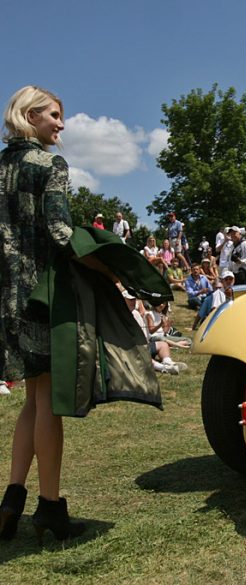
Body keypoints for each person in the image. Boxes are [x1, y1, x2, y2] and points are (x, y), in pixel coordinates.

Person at [0, 86, 98, 542]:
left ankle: (11, 501)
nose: (61, 125)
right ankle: (50, 507)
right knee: (48, 405)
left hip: (6, 298)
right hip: (41, 294)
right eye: (55, 116)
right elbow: (60, 230)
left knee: (32, 399)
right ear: (30, 115)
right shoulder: (49, 164)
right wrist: (103, 266)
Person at [123, 293, 187, 374]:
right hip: (132, 347)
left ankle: (169, 362)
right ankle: (162, 367)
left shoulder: (136, 314)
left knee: (163, 344)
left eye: (134, 299)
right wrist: (160, 325)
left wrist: (167, 326)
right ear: (123, 300)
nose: (133, 302)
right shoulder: (120, 315)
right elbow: (150, 331)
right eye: (130, 300)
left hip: (145, 343)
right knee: (145, 348)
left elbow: (147, 333)